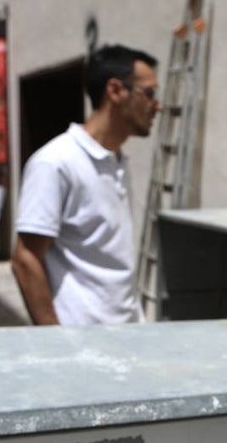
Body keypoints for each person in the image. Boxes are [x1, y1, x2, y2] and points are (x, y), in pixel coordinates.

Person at [12, 44, 161, 325]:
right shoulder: (55, 163)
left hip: (127, 333)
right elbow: (25, 259)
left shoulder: (116, 160)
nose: (158, 105)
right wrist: (56, 342)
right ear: (115, 91)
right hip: (82, 340)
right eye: (149, 94)